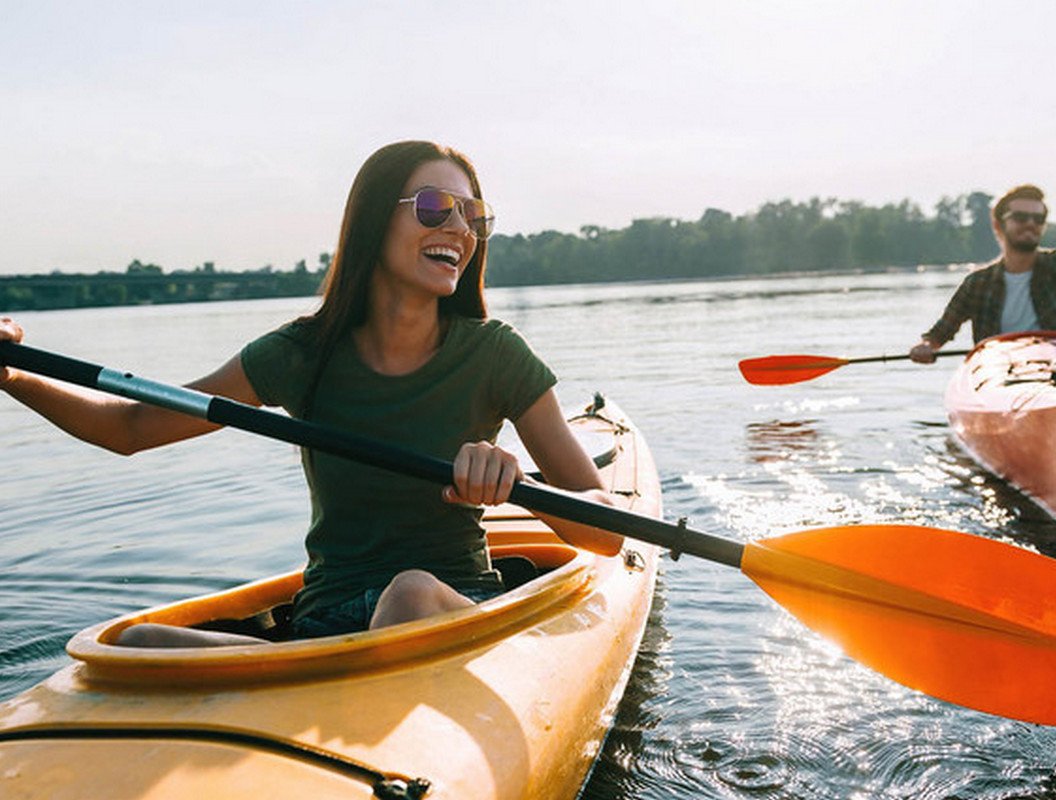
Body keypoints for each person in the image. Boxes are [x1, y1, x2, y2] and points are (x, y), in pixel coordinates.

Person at [0, 140, 623, 647]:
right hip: (325, 623)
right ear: (375, 219)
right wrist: (13, 375)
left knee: (407, 593)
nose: (460, 229)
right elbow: (130, 428)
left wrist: (518, 485)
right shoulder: (300, 353)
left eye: (473, 215)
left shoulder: (495, 355)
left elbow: (607, 531)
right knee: (132, 643)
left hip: (448, 608)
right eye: (436, 207)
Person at [908, 184, 1056, 363]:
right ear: (999, 225)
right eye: (1020, 217)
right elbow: (939, 334)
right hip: (998, 369)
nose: (1030, 223)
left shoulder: (1055, 266)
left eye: (1038, 218)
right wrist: (926, 346)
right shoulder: (977, 283)